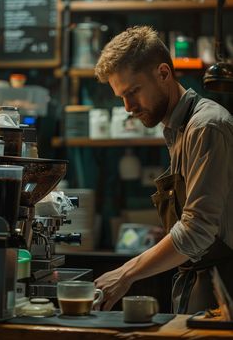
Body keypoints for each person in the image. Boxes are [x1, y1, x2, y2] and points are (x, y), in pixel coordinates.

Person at [93, 25, 233, 314]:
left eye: (133, 92)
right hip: (203, 281)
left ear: (164, 74)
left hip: (224, 287)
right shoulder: (177, 129)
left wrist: (126, 273)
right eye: (121, 96)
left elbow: (197, 231)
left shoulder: (205, 126)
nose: (128, 107)